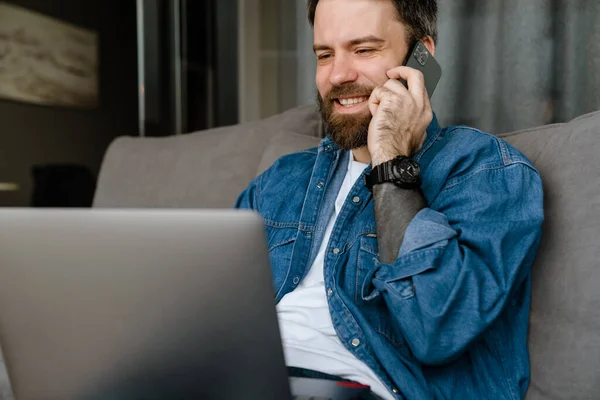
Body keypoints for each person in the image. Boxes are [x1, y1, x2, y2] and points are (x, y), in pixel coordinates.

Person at [235, 0, 544, 399]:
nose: (339, 74)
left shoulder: (485, 172)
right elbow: (212, 309)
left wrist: (390, 159)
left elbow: (438, 325)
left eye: (364, 50)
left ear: (420, 58)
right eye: (324, 55)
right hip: (234, 377)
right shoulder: (279, 182)